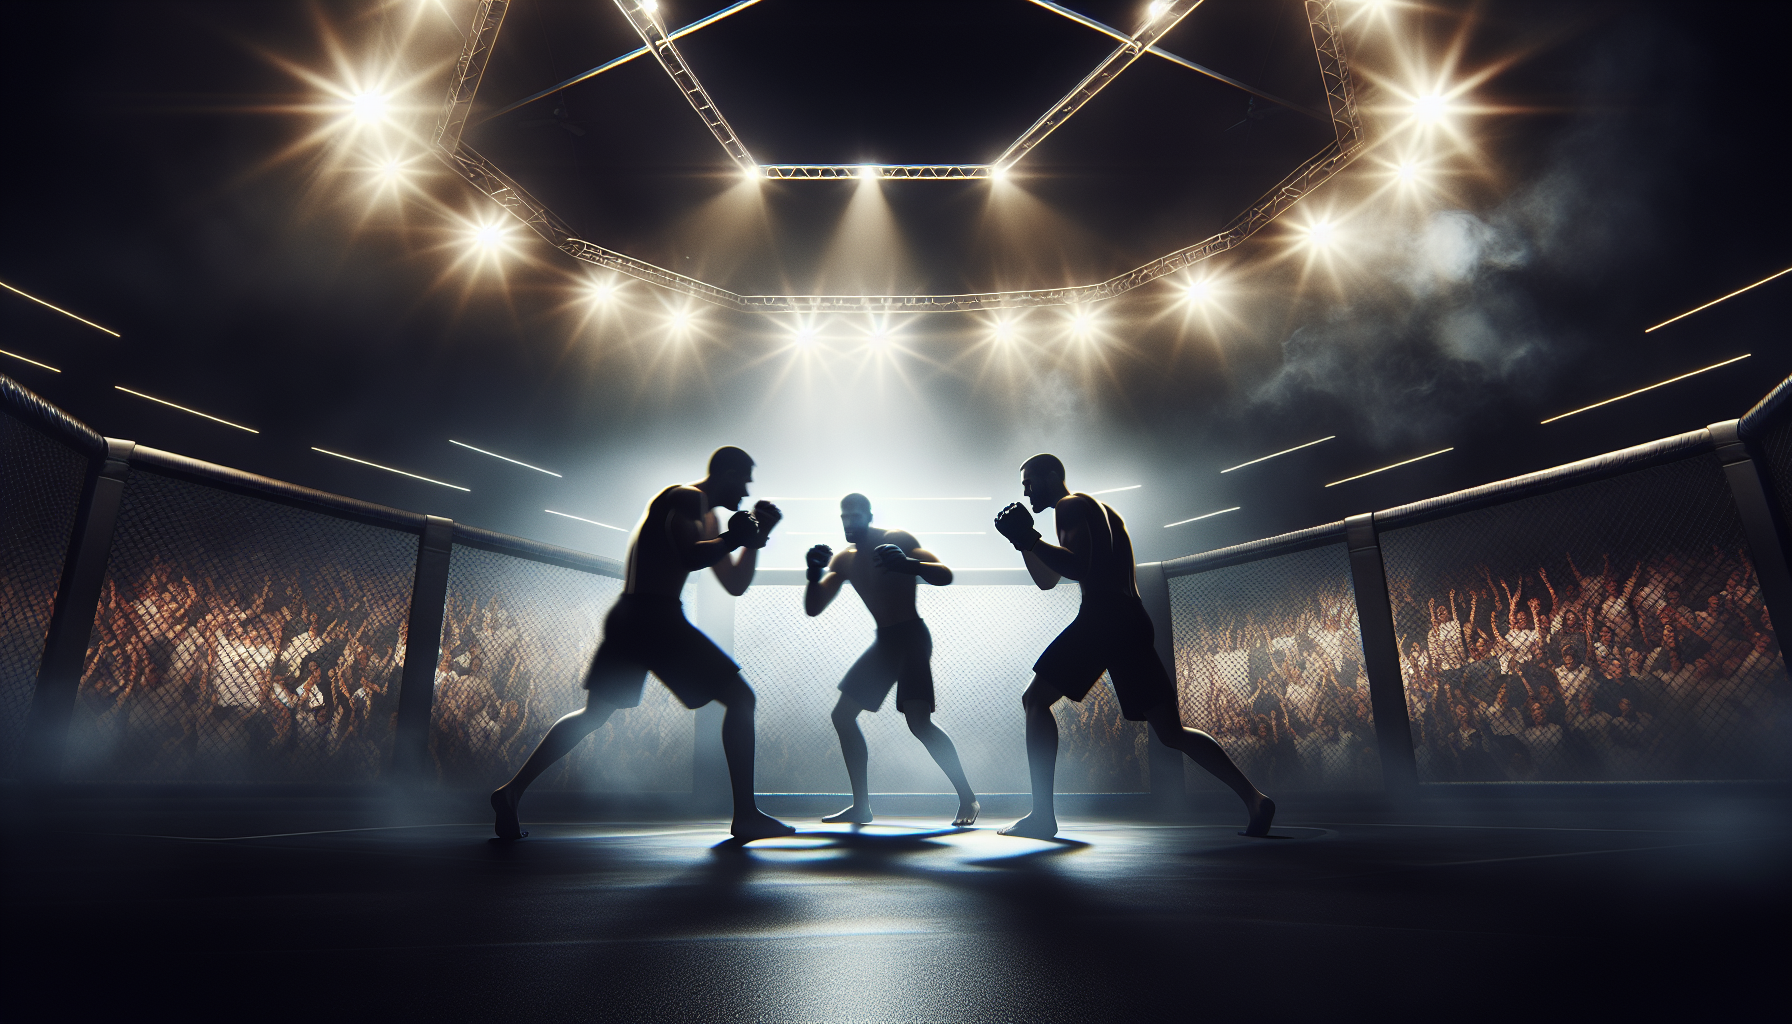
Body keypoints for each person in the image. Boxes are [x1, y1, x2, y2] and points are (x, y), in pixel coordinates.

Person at [490, 446, 794, 842]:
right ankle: (747, 816)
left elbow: (734, 585)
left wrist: (755, 538)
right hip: (655, 616)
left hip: (635, 616)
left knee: (594, 713)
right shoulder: (688, 496)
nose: (748, 488)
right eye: (745, 477)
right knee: (740, 698)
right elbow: (687, 556)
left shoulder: (710, 514)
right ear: (727, 473)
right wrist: (733, 538)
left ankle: (510, 792)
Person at [991, 453, 1274, 839]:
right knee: (1171, 732)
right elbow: (1048, 581)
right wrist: (1023, 541)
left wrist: (1030, 537)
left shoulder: (1070, 505)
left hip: (1103, 616)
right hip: (1131, 617)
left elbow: (1078, 569)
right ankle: (1254, 798)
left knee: (1034, 699)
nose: (1024, 491)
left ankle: (1042, 816)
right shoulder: (1103, 511)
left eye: (1029, 482)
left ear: (1052, 476)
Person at [802, 493, 979, 827]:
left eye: (856, 515)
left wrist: (907, 564)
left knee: (919, 722)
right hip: (885, 642)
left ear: (869, 516)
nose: (849, 522)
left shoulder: (896, 539)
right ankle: (861, 807)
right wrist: (812, 573)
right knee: (842, 715)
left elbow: (944, 574)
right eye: (844, 516)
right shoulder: (844, 560)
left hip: (911, 637)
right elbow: (814, 607)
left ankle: (968, 798)